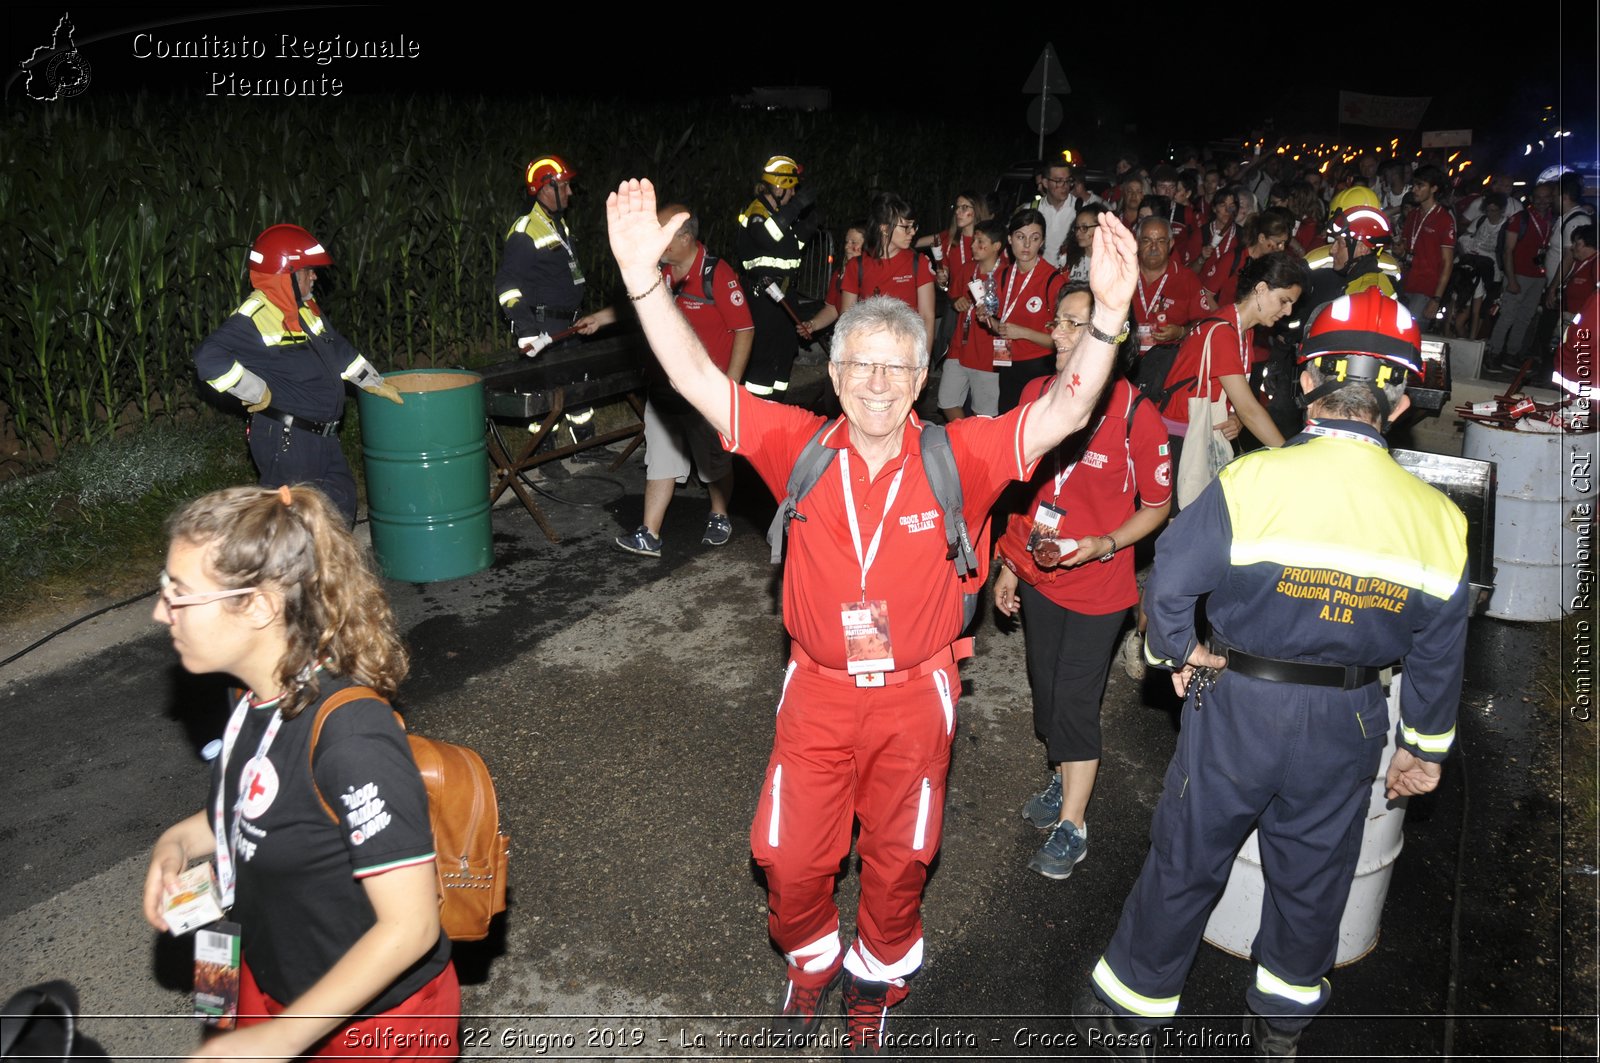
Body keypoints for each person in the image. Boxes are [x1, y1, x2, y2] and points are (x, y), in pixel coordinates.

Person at [603, 177, 1138, 1053]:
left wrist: (1108, 313)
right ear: (836, 373)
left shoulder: (959, 452)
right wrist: (641, 282)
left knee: (899, 861)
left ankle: (876, 983)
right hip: (815, 689)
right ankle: (810, 961)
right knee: (788, 856)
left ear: (923, 376)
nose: (879, 383)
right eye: (860, 365)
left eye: (897, 366)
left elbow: (1067, 408)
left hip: (914, 695)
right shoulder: (797, 444)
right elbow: (695, 375)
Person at [1076, 289, 1469, 1058]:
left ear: (1307, 383)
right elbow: (1436, 654)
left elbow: (1169, 585)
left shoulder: (1253, 482)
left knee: (1188, 857)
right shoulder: (1438, 521)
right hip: (1349, 722)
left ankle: (1130, 1014)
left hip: (1239, 706)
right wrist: (1421, 749)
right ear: (1396, 402)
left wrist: (1177, 654)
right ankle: (1280, 1028)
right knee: (1314, 878)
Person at [143, 484, 456, 1060]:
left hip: (367, 1023)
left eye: (180, 594)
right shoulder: (254, 700)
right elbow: (259, 811)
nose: (161, 611)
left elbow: (411, 927)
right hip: (260, 973)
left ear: (258, 606)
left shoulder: (352, 737)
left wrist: (280, 1039)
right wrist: (175, 844)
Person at [993, 282, 1171, 880]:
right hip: (1042, 578)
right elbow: (1024, 495)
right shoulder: (1036, 394)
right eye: (1059, 323)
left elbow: (1156, 505)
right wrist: (1010, 565)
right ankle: (1058, 774)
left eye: (1075, 326)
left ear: (1109, 339)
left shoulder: (1136, 415)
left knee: (1073, 700)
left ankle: (1074, 823)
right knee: (1046, 698)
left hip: (1099, 587)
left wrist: (1105, 543)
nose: (1058, 336)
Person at [194, 224, 403, 527]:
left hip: (325, 436)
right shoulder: (253, 317)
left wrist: (373, 382)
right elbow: (207, 358)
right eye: (307, 270)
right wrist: (253, 390)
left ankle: (332, 571)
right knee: (293, 528)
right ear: (285, 274)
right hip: (288, 440)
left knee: (339, 511)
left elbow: (338, 350)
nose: (314, 276)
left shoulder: (304, 310)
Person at [574, 206, 755, 556]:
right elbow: (639, 306)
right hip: (665, 388)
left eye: (664, 233)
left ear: (685, 238)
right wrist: (599, 319)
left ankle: (719, 515)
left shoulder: (717, 274)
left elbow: (745, 330)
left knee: (713, 461)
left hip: (707, 389)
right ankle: (649, 533)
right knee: (660, 457)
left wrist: (728, 388)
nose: (655, 241)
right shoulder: (665, 271)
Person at [1157, 252, 1308, 466]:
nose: (1288, 311)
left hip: (1201, 432)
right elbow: (1249, 410)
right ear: (1261, 289)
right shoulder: (1223, 332)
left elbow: (1237, 402)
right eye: (1284, 301)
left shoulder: (1242, 330)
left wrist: (1235, 418)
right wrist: (1290, 457)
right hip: (1180, 440)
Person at [494, 155, 596, 442]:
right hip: (544, 328)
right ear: (545, 189)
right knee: (544, 394)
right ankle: (545, 453)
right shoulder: (526, 231)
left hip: (570, 324)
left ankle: (586, 443)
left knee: (577, 384)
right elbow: (506, 285)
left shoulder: (559, 225)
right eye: (564, 186)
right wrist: (526, 330)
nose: (570, 192)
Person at [736, 154, 820, 399]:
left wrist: (808, 227)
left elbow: (789, 250)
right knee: (764, 356)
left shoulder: (780, 213)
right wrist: (796, 208)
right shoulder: (757, 212)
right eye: (791, 189)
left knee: (785, 353)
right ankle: (756, 413)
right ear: (778, 186)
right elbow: (764, 237)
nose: (794, 194)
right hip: (763, 296)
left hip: (785, 294)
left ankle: (777, 409)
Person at [986, 208, 1058, 412]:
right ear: (1010, 239)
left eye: (1034, 238)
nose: (1027, 245)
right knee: (1008, 422)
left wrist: (1024, 333)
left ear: (1042, 242)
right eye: (1020, 237)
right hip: (1007, 362)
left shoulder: (1053, 280)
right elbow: (1000, 326)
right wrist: (988, 319)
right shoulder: (1001, 276)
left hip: (1040, 365)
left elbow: (1062, 339)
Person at [937, 218, 1007, 420]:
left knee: (985, 412)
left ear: (996, 246)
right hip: (961, 345)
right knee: (947, 401)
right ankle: (966, 438)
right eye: (973, 241)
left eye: (980, 242)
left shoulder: (1007, 274)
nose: (973, 246)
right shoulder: (969, 269)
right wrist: (957, 301)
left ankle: (973, 443)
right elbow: (953, 295)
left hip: (991, 352)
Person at [1128, 216, 1213, 357]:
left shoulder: (1187, 279)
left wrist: (1181, 332)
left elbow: (1204, 322)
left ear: (1171, 244)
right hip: (1126, 357)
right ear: (1137, 243)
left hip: (1169, 361)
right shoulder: (1122, 274)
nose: (1153, 247)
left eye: (1161, 241)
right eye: (1147, 240)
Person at [1397, 164, 1456, 327]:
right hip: (1406, 282)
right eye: (1414, 185)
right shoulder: (1413, 215)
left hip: (1426, 288)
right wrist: (1399, 251)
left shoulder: (1444, 219)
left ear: (1434, 188)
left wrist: (1436, 298)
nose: (1414, 190)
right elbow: (1406, 248)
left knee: (1411, 331)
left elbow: (1447, 262)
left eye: (1420, 185)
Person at [1059, 202, 1107, 285]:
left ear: (1101, 228)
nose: (1078, 233)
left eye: (1084, 228)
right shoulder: (1068, 257)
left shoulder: (1112, 260)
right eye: (1077, 228)